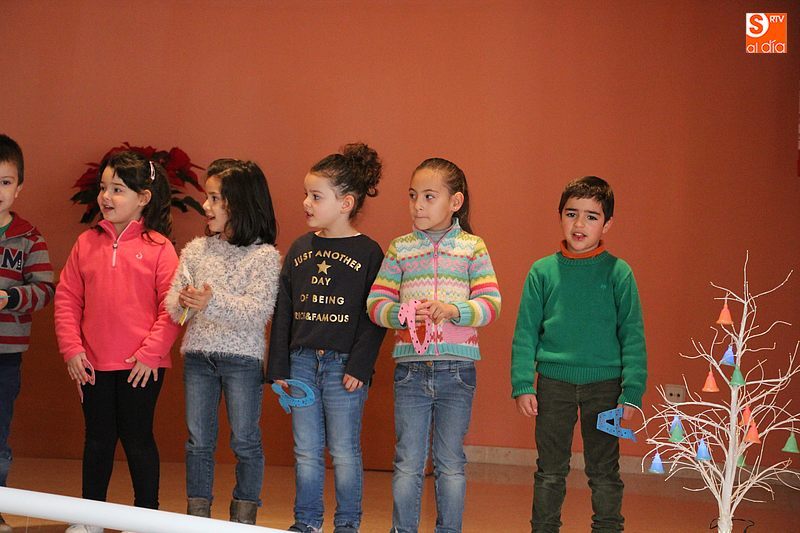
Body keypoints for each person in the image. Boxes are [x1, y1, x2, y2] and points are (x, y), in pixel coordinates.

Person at [367, 157, 501, 533]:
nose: (418, 205)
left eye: (429, 196)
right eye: (413, 196)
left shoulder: (473, 248)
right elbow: (375, 304)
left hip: (458, 371)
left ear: (455, 202)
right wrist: (403, 315)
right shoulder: (400, 249)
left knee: (450, 463)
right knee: (407, 462)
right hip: (410, 371)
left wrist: (454, 310)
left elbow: (491, 304)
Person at [510, 176, 647, 532]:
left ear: (607, 224)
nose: (579, 224)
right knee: (550, 471)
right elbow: (525, 332)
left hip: (606, 389)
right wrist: (523, 384)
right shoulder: (542, 271)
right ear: (560, 216)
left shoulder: (619, 273)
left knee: (604, 472)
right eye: (572, 214)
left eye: (591, 216)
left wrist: (631, 393)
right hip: (553, 386)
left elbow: (632, 335)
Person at [55, 150, 181, 533]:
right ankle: (92, 518)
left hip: (142, 368)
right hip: (92, 365)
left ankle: (146, 519)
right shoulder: (85, 244)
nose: (106, 197)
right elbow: (66, 299)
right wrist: (72, 350)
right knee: (97, 440)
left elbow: (172, 308)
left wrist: (150, 354)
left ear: (143, 197)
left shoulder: (160, 248)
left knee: (138, 439)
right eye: (103, 188)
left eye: (118, 189)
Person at [266, 143, 387, 533]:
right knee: (305, 450)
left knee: (345, 450)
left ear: (346, 203)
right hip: (301, 363)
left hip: (343, 367)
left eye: (316, 196)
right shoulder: (300, 249)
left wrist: (360, 366)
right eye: (307, 194)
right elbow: (284, 311)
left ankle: (347, 523)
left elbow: (374, 318)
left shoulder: (369, 253)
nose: (306, 203)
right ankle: (307, 521)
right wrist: (278, 367)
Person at [165, 159, 280, 524]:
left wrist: (211, 302)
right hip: (198, 357)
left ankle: (244, 516)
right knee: (198, 441)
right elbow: (173, 306)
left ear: (239, 203)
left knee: (245, 439)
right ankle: (197, 515)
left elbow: (258, 312)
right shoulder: (196, 250)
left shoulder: (265, 256)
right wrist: (184, 301)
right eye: (208, 197)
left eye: (215, 198)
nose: (206, 206)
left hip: (242, 360)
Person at [0, 134, 55, 533]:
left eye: (5, 182)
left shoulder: (29, 238)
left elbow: (45, 290)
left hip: (5, 356)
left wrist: (10, 297)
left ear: (19, 187)